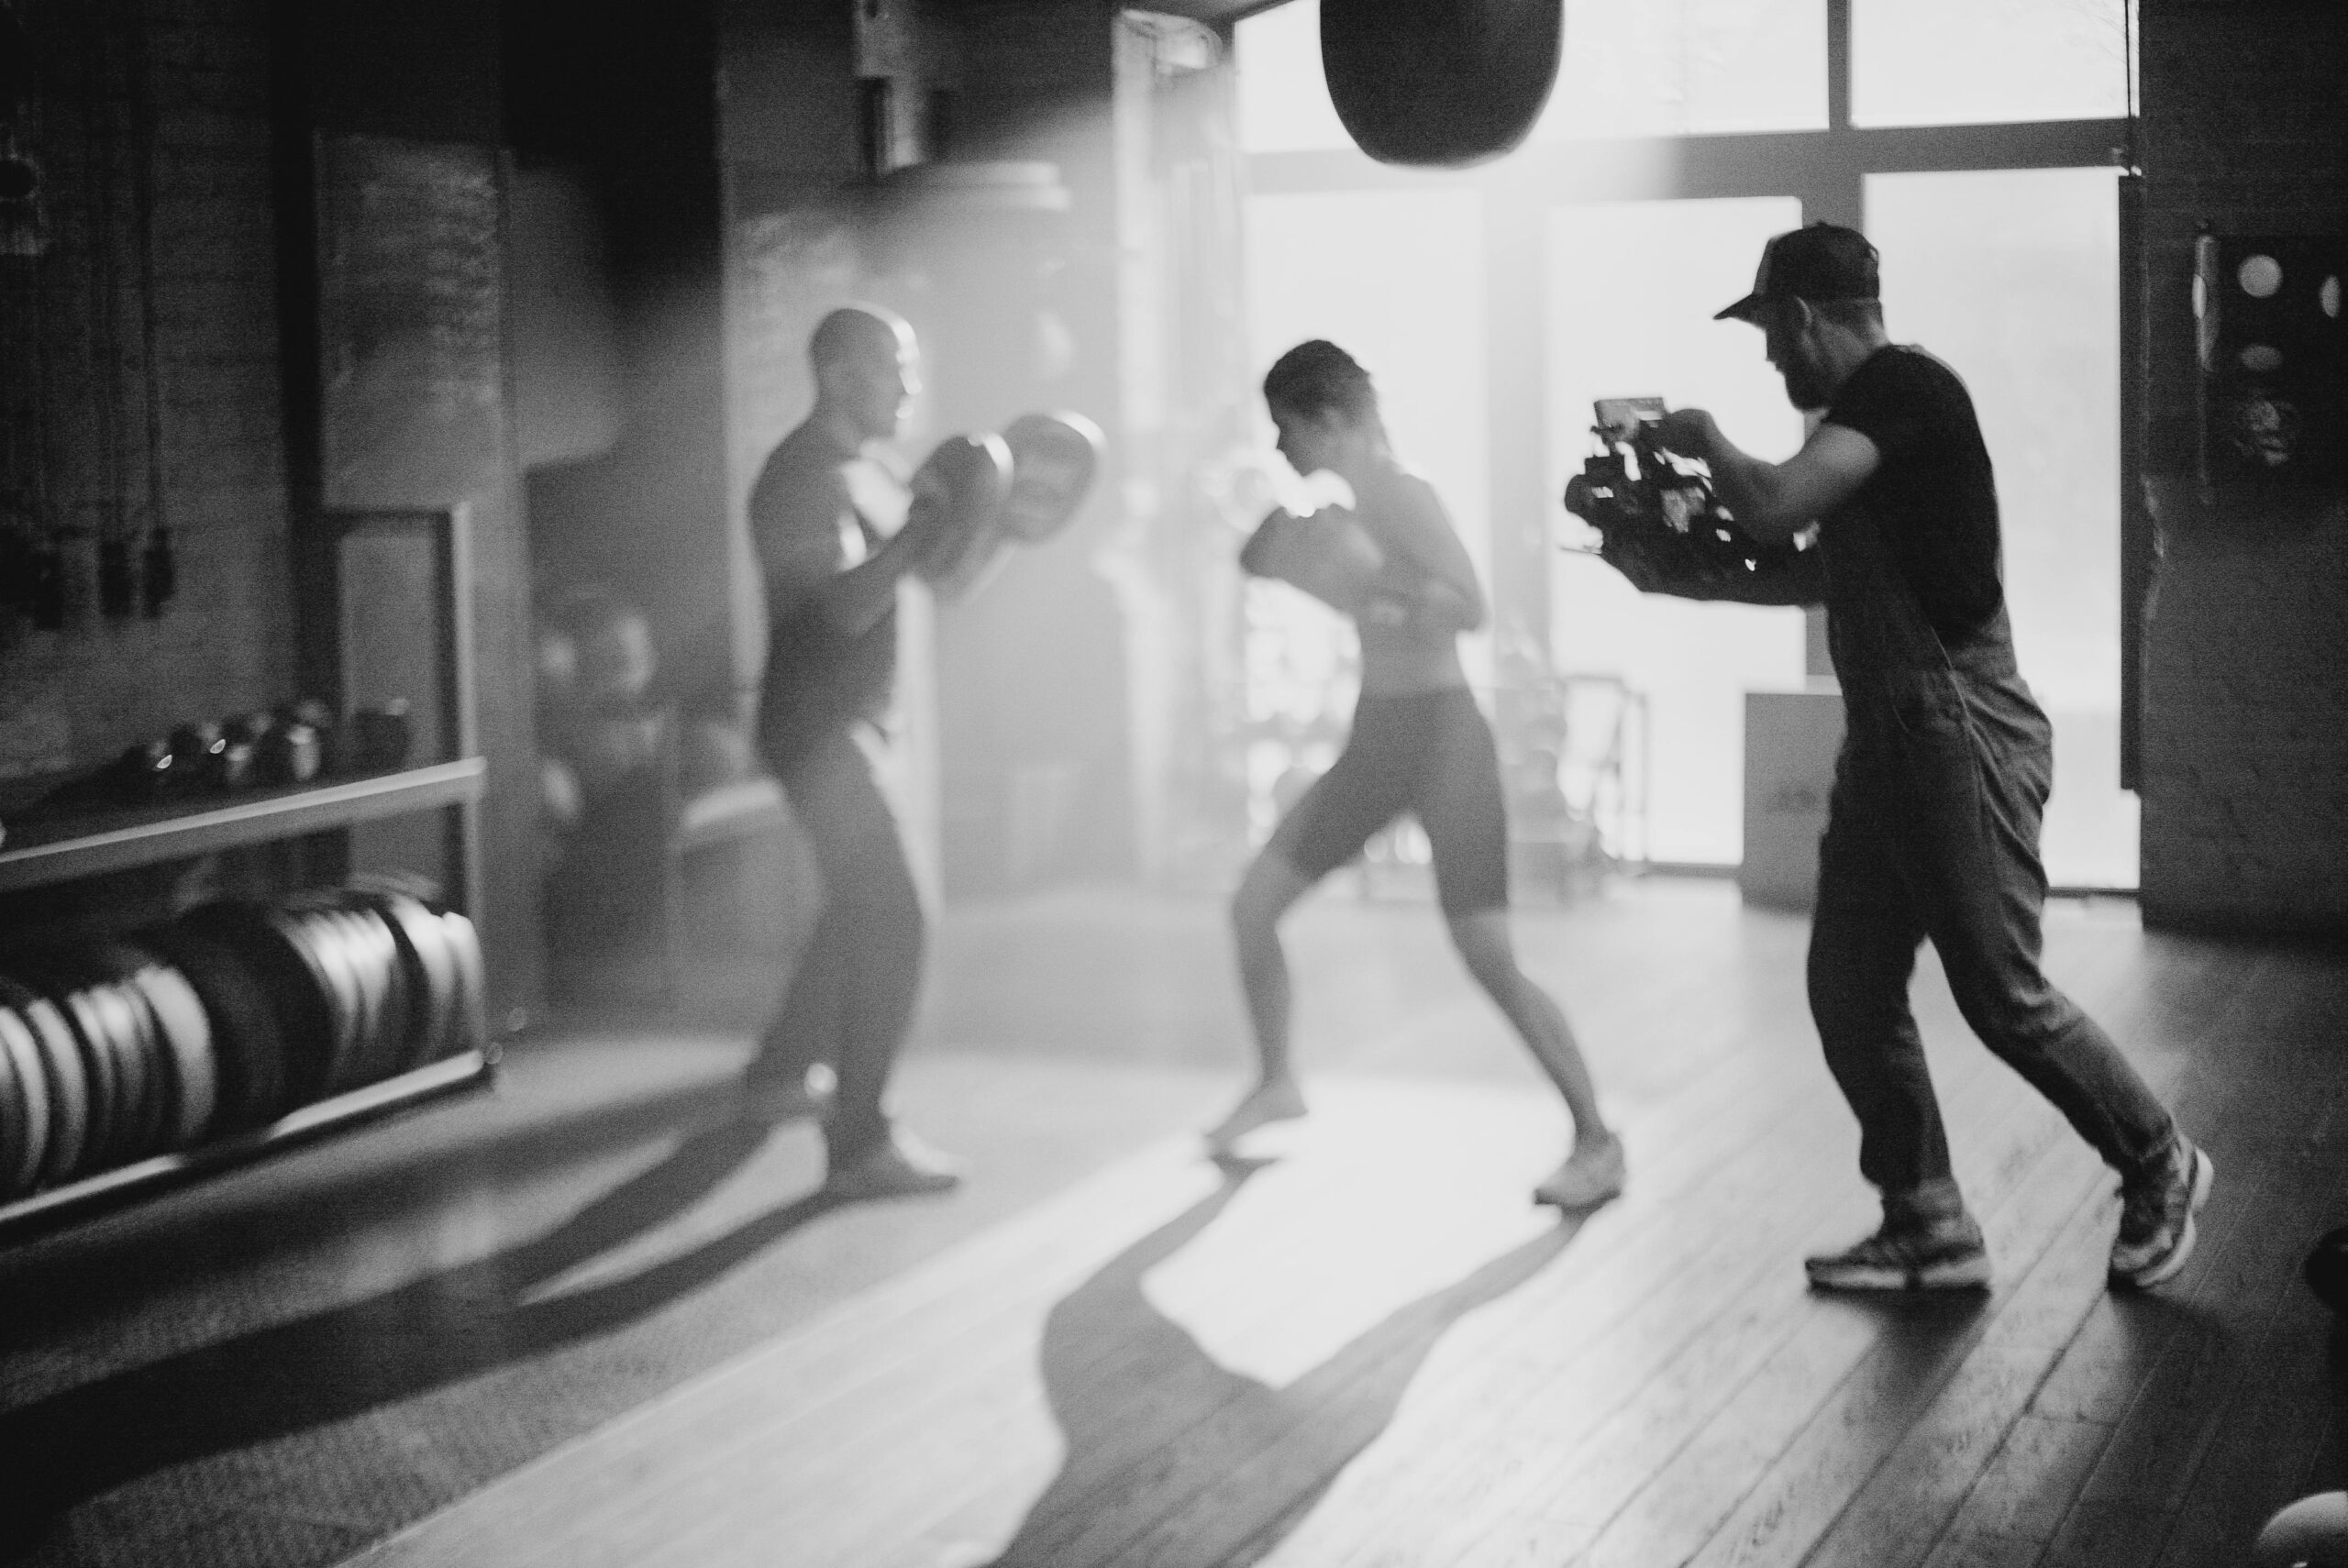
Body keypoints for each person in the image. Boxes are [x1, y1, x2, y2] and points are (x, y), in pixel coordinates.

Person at [1638, 223, 2209, 1290]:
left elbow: (1770, 506)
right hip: (1890, 742)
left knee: (2001, 996)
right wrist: (1682, 574)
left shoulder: (1903, 392)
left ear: (1805, 317)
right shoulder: (1860, 435)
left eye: (1771, 333)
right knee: (1848, 983)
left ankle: (2159, 1159)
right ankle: (1928, 1219)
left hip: (1957, 733)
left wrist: (1706, 439)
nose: (1769, 358)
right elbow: (1818, 571)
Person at [1209, 339, 1626, 1210]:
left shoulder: (1401, 493)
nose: (1281, 449)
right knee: (1253, 908)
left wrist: (1368, 579)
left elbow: (1467, 608)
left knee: (1487, 955)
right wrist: (1324, 571)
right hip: (1381, 735)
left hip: (1442, 738)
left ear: (1329, 420)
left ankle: (1597, 1137)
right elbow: (1307, 575)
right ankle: (1277, 1081)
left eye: (1287, 428)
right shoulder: (1348, 504)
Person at [737, 304, 964, 1201]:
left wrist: (983, 528)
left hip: (860, 728)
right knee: (897, 913)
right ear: (837, 375)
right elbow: (835, 609)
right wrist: (917, 536)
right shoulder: (802, 478)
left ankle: (778, 1072)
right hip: (819, 730)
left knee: (856, 905)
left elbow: (933, 581)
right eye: (891, 368)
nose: (910, 386)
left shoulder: (872, 470)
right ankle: (861, 1141)